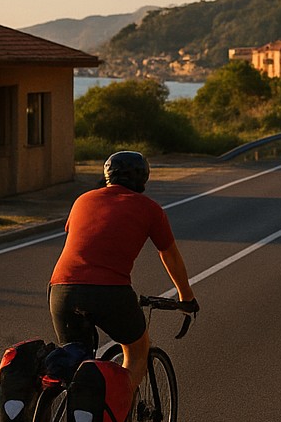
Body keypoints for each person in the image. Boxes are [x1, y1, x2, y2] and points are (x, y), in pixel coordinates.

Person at [48, 151, 198, 394]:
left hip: (62, 290)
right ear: (143, 179)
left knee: (74, 361)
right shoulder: (150, 209)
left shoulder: (82, 200)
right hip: (110, 292)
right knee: (138, 351)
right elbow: (169, 254)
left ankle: (66, 421)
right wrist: (186, 297)